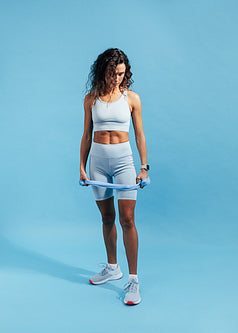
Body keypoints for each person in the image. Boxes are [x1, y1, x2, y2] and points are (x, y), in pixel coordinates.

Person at [79, 48, 149, 305]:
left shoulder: (132, 99)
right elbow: (86, 135)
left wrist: (144, 167)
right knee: (107, 217)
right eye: (113, 73)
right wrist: (82, 166)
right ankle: (112, 268)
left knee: (127, 219)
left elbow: (140, 135)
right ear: (103, 71)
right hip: (97, 162)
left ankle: (133, 280)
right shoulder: (91, 99)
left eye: (121, 73)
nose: (117, 78)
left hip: (123, 162)